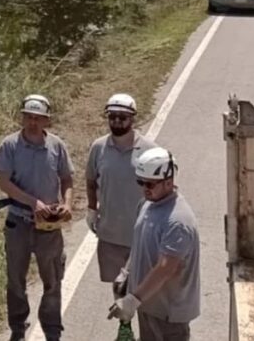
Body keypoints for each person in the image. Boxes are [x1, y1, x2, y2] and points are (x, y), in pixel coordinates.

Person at [0, 94, 74, 341]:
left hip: (48, 225)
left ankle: (51, 330)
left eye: (38, 118)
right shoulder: (9, 145)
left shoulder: (57, 146)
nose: (32, 123)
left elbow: (67, 179)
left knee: (52, 280)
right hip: (18, 222)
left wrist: (67, 204)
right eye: (28, 117)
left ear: (46, 121)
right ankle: (18, 328)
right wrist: (32, 203)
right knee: (16, 281)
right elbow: (4, 183)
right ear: (22, 117)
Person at [109, 147, 201, 341]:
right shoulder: (147, 204)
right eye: (140, 182)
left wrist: (133, 300)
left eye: (150, 184)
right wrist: (127, 274)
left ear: (169, 182)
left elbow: (166, 268)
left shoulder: (177, 221)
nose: (144, 188)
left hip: (168, 314)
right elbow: (139, 245)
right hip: (148, 302)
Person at [85, 93, 154, 294]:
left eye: (122, 117)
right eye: (112, 116)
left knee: (143, 287)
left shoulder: (149, 150)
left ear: (133, 119)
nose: (116, 121)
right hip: (110, 233)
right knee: (118, 285)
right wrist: (91, 209)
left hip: (140, 235)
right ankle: (125, 324)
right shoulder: (98, 147)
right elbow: (90, 180)